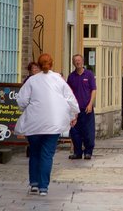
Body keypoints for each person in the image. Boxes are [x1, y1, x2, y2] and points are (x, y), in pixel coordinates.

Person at [15, 53, 79, 196]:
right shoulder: (58, 79)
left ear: (38, 64)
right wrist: (74, 114)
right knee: (47, 155)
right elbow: (70, 98)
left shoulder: (32, 80)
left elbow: (21, 101)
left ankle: (34, 184)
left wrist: (27, 108)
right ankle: (44, 187)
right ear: (51, 64)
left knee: (35, 153)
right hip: (53, 124)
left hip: (34, 123)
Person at [67, 54, 97, 160]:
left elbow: (94, 90)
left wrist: (90, 104)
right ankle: (77, 152)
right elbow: (68, 93)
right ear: (73, 63)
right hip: (75, 110)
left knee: (88, 132)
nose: (77, 62)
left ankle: (88, 152)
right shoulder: (71, 77)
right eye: (75, 60)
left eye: (79, 60)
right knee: (75, 132)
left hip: (87, 109)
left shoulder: (89, 74)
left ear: (83, 61)